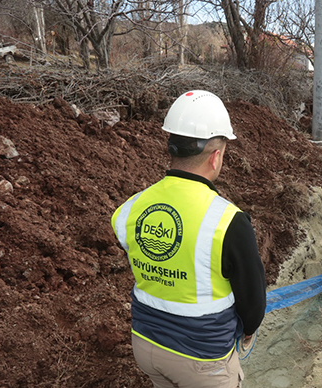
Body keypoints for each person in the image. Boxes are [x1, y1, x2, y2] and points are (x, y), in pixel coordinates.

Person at [111, 90, 266, 387]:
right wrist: (248, 330)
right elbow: (253, 301)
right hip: (202, 359)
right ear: (216, 157)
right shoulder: (229, 221)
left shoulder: (129, 210)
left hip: (145, 345)